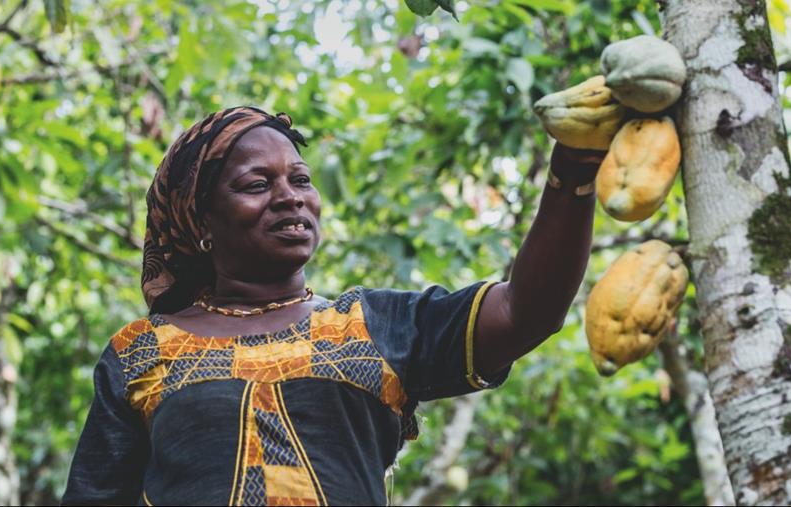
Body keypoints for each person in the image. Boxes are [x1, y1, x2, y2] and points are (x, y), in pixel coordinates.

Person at [61, 106, 603, 506]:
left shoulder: (372, 326)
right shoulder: (142, 352)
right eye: (257, 183)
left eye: (301, 179)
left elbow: (527, 313)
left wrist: (571, 175)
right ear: (202, 222)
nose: (291, 195)